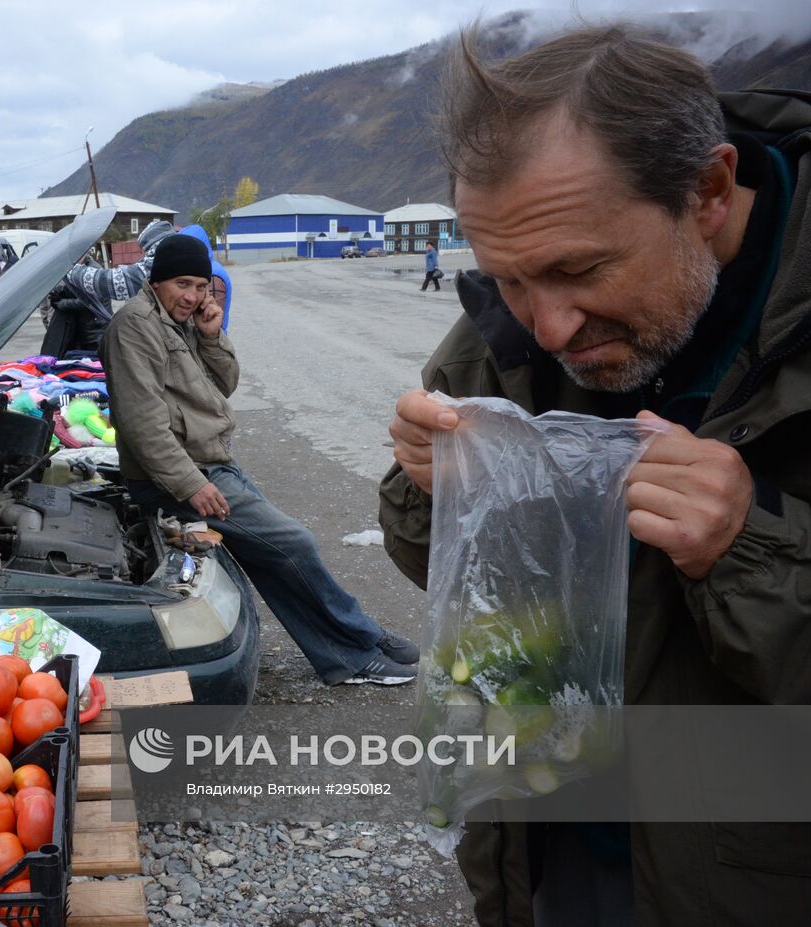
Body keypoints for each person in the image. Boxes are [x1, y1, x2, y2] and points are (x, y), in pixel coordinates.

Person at [378, 25, 810, 927]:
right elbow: (451, 579)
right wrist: (435, 487)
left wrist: (748, 548)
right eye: (508, 280)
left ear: (710, 190)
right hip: (552, 845)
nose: (549, 328)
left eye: (579, 271)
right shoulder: (509, 332)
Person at [103, 234, 420, 686]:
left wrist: (212, 337)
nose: (192, 296)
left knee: (273, 556)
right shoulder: (135, 328)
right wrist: (191, 485)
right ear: (156, 282)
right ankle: (361, 643)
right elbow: (142, 425)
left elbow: (223, 385)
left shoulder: (182, 322)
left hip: (212, 464)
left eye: (200, 286)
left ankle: (345, 653)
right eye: (182, 284)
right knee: (294, 543)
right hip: (179, 478)